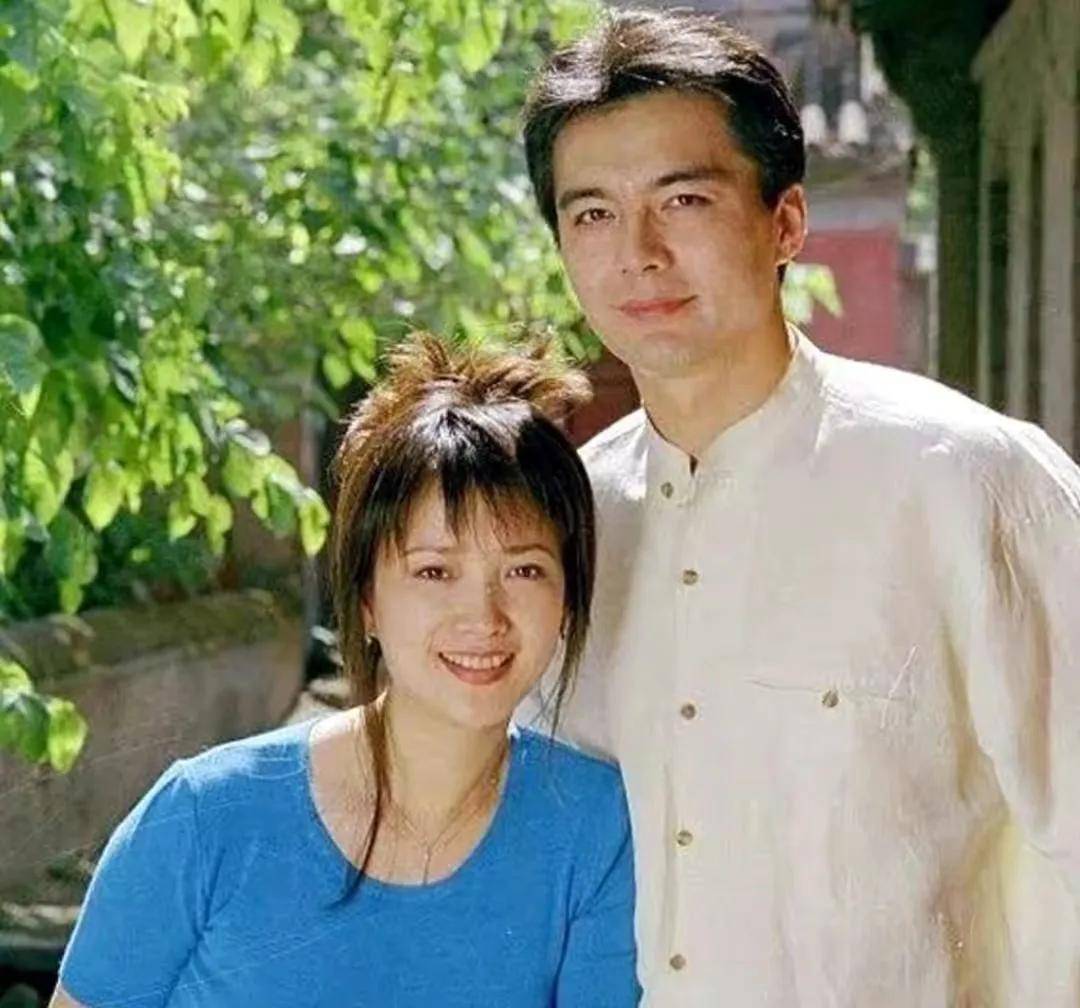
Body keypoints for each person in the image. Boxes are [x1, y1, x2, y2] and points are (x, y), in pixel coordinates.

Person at [517, 7, 1080, 1006]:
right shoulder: (564, 530)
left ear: (785, 223)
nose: (637, 252)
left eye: (683, 200)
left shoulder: (968, 483)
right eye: (592, 213)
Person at [51, 334, 641, 1008]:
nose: (483, 616)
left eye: (525, 570)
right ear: (366, 602)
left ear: (567, 600)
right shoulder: (205, 814)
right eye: (434, 571)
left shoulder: (596, 828)